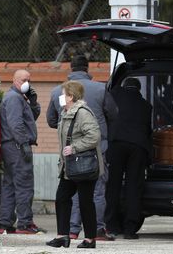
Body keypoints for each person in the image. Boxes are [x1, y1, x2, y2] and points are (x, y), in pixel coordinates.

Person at [46, 55, 117, 240]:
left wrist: (68, 132)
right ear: (87, 68)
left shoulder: (56, 92)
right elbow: (113, 113)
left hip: (69, 152)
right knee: (95, 193)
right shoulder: (101, 89)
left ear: (71, 68)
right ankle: (97, 230)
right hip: (95, 151)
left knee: (71, 193)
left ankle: (72, 230)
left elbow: (51, 120)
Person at [46, 81, 104, 249]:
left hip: (84, 165)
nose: (61, 98)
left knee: (86, 201)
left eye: (63, 94)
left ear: (71, 96)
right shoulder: (67, 112)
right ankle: (62, 236)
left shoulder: (83, 113)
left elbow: (94, 136)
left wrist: (74, 148)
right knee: (62, 198)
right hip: (69, 167)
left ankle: (90, 239)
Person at [105, 77, 152, 239]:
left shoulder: (114, 94)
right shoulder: (146, 105)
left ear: (124, 86)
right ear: (139, 90)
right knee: (134, 187)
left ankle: (111, 226)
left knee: (113, 185)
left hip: (116, 143)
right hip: (138, 146)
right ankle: (130, 229)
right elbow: (148, 130)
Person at [0, 69, 44, 234]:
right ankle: (24, 223)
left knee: (10, 185)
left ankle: (5, 223)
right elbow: (16, 123)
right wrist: (24, 143)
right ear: (15, 80)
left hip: (12, 146)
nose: (28, 83)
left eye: (29, 80)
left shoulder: (18, 98)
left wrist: (33, 103)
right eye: (25, 79)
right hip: (17, 146)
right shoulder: (13, 98)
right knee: (24, 185)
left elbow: (30, 118)